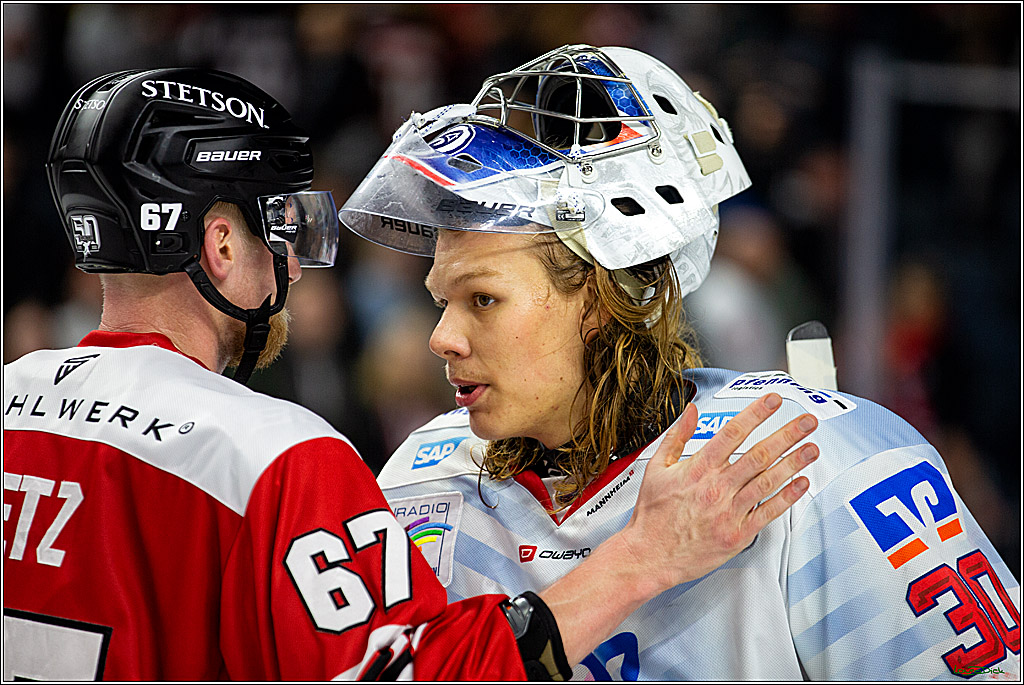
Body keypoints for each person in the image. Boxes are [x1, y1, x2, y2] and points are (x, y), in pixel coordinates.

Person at [3, 67, 818, 681]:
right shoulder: (271, 455)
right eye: (278, 226)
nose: (292, 260)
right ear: (219, 245)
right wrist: (645, 555)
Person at [339, 45, 1022, 680]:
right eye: (441, 301)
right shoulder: (416, 483)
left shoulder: (815, 461)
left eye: (483, 299)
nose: (441, 338)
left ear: (604, 297)